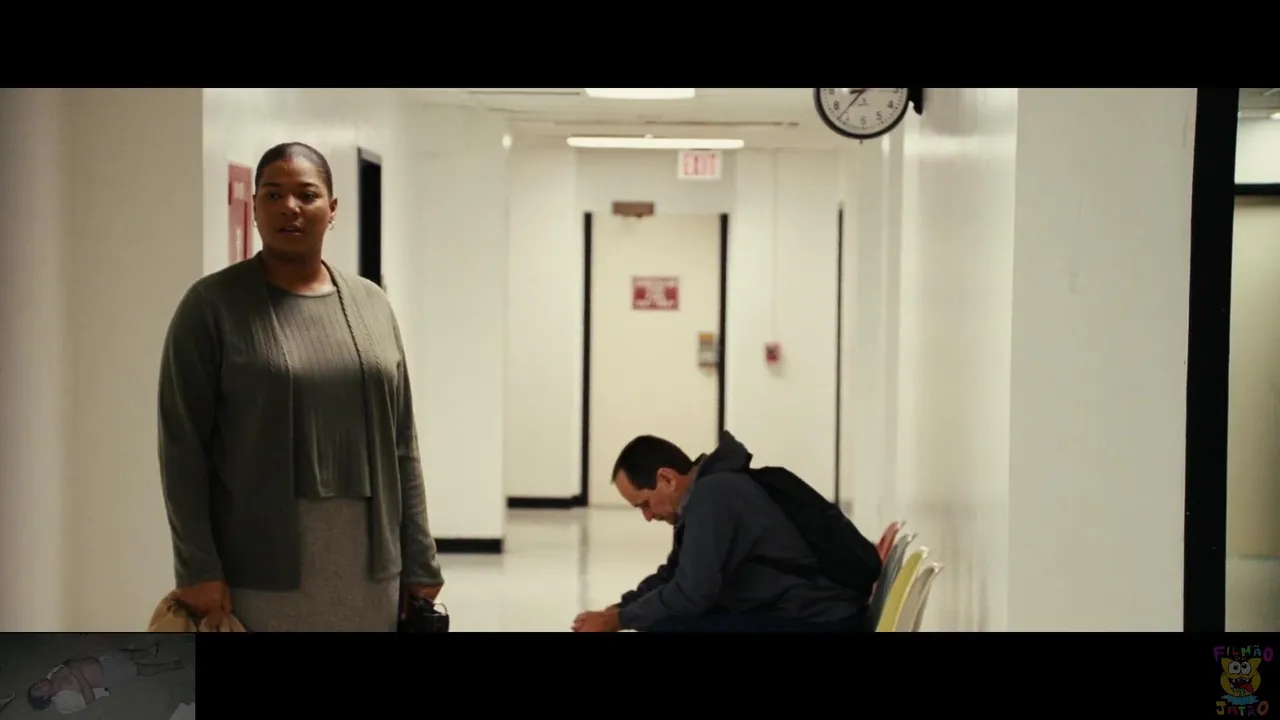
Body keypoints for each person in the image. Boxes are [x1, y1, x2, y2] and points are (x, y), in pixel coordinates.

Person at [158, 142, 444, 632]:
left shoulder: (371, 304)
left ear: (332, 209)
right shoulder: (211, 306)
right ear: (254, 208)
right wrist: (197, 566)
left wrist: (419, 555)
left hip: (371, 566)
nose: (289, 207)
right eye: (273, 194)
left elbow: (402, 443)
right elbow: (182, 447)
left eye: (306, 194)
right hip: (260, 569)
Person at [572, 431, 871, 633]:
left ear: (667, 479)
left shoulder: (714, 496)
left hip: (821, 619)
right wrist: (621, 608)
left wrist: (619, 620)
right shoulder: (708, 492)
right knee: (661, 618)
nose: (648, 517)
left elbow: (690, 594)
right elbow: (673, 574)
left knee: (666, 626)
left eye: (645, 505)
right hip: (812, 611)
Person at [26, 642, 185, 714]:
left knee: (126, 653)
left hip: (101, 661)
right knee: (138, 669)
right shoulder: (63, 702)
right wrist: (78, 674)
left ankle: (148, 651)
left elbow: (66, 664)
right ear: (45, 697)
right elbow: (89, 699)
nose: (39, 683)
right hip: (106, 676)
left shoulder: (51, 675)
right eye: (39, 688)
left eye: (36, 684)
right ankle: (170, 666)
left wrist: (70, 663)